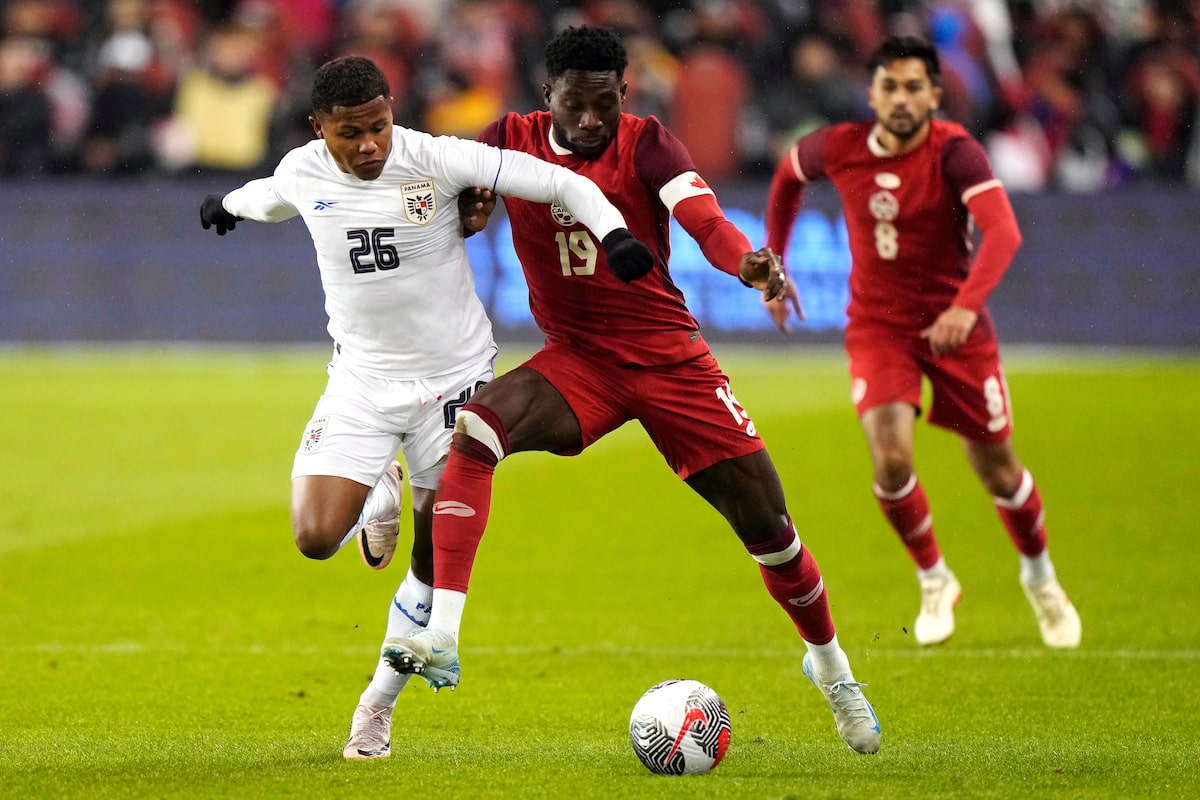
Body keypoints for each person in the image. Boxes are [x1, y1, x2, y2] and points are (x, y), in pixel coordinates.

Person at [380, 25, 882, 756]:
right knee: (478, 430)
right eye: (574, 106)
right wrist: (459, 211)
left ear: (626, 94)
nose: (589, 122)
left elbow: (705, 221)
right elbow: (442, 197)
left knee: (770, 531)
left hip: (667, 360)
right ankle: (445, 635)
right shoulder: (505, 139)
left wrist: (746, 263)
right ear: (547, 95)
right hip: (578, 361)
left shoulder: (648, 143)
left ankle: (832, 670)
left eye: (604, 105)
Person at [197, 54, 652, 760]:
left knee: (435, 559)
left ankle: (375, 708)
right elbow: (267, 197)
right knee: (316, 537)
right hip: (362, 383)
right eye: (352, 134)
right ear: (320, 130)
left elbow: (557, 180)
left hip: (456, 383)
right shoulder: (304, 171)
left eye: (379, 125)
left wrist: (613, 232)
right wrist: (224, 206)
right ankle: (380, 484)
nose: (372, 144)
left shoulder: (437, 158)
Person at [763, 35, 1082, 650]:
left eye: (914, 87)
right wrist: (775, 263)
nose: (902, 98)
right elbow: (786, 176)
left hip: (955, 329)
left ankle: (1041, 577)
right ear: (872, 94)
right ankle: (935, 579)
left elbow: (1003, 233)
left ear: (935, 95)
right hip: (879, 328)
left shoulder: (955, 153)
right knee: (890, 457)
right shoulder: (840, 146)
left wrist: (964, 309)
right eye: (890, 87)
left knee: (997, 468)